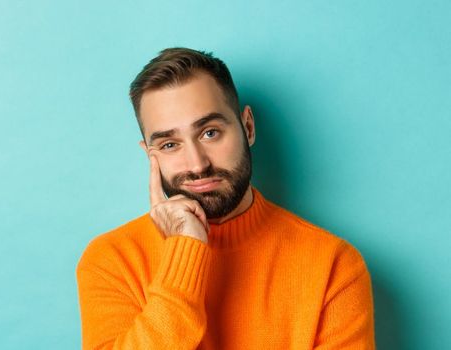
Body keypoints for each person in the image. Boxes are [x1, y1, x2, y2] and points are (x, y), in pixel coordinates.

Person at [75, 47, 375, 349]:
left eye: (210, 133)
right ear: (149, 154)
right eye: (169, 144)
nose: (197, 164)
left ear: (248, 127)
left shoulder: (333, 265)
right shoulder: (110, 261)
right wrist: (186, 250)